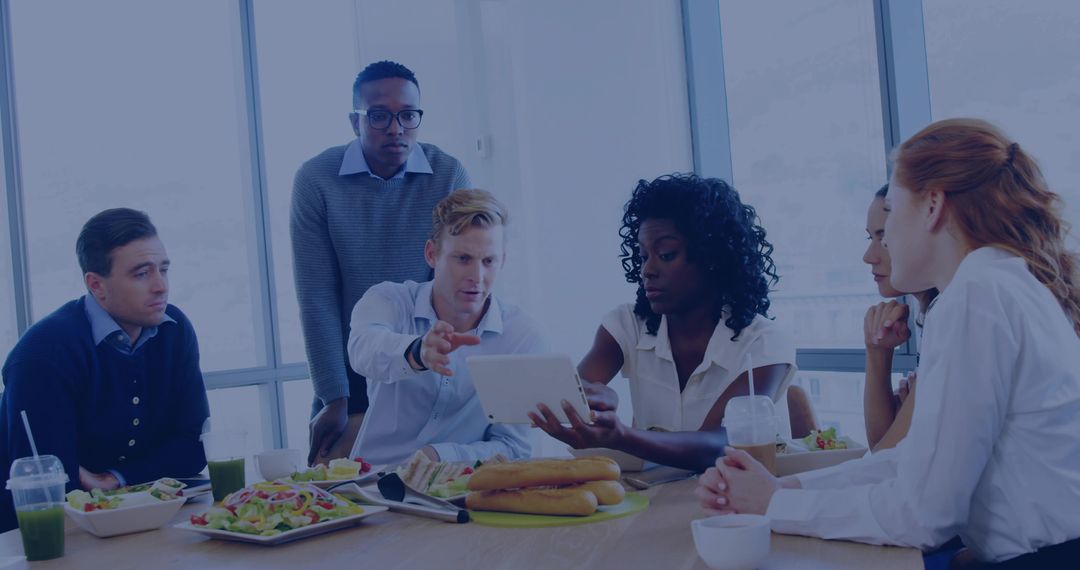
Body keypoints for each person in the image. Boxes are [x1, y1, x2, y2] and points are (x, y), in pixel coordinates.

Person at [697, 118, 1080, 567]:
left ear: (933, 205)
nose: (881, 241)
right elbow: (912, 461)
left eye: (893, 212)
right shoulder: (995, 283)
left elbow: (924, 514)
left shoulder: (977, 296)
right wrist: (783, 490)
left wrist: (773, 505)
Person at [531, 174, 796, 472]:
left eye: (666, 255)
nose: (647, 269)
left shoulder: (763, 343)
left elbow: (724, 445)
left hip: (747, 507)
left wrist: (622, 437)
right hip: (659, 500)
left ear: (713, 258)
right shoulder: (627, 324)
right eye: (643, 256)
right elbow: (572, 392)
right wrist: (590, 397)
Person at [291, 60, 471, 466]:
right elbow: (316, 295)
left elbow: (461, 278)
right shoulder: (316, 180)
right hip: (351, 364)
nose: (396, 128)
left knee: (426, 494)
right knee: (342, 498)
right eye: (379, 116)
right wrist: (332, 396)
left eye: (408, 115)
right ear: (355, 121)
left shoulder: (448, 174)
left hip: (426, 357)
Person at [0, 208, 209, 532]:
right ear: (96, 285)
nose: (160, 286)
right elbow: (52, 482)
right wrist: (144, 473)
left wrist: (114, 479)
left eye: (163, 269)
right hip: (37, 537)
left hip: (137, 518)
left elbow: (193, 447)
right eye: (141, 274)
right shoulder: (43, 354)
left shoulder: (175, 329)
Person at [346, 189, 541, 465]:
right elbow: (363, 350)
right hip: (372, 488)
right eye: (463, 259)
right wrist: (417, 351)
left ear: (503, 260)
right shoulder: (388, 300)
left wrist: (442, 455)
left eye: (488, 261)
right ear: (431, 254)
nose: (477, 276)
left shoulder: (522, 337)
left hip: (462, 494)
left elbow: (513, 447)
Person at [861, 184, 937, 451]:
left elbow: (887, 457)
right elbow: (882, 446)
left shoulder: (954, 312)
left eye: (884, 238)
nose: (868, 257)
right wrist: (877, 351)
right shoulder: (930, 313)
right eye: (869, 238)